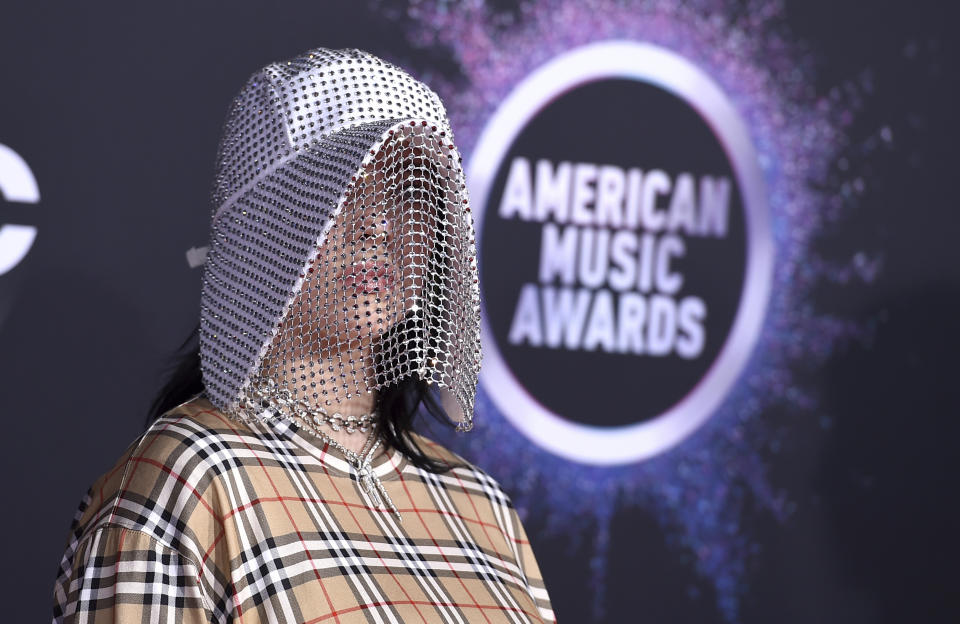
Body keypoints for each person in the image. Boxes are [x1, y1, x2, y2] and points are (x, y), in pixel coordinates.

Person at [52, 47, 556, 623]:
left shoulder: (482, 506)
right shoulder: (188, 478)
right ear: (259, 222)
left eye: (407, 190)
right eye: (339, 186)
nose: (378, 224)